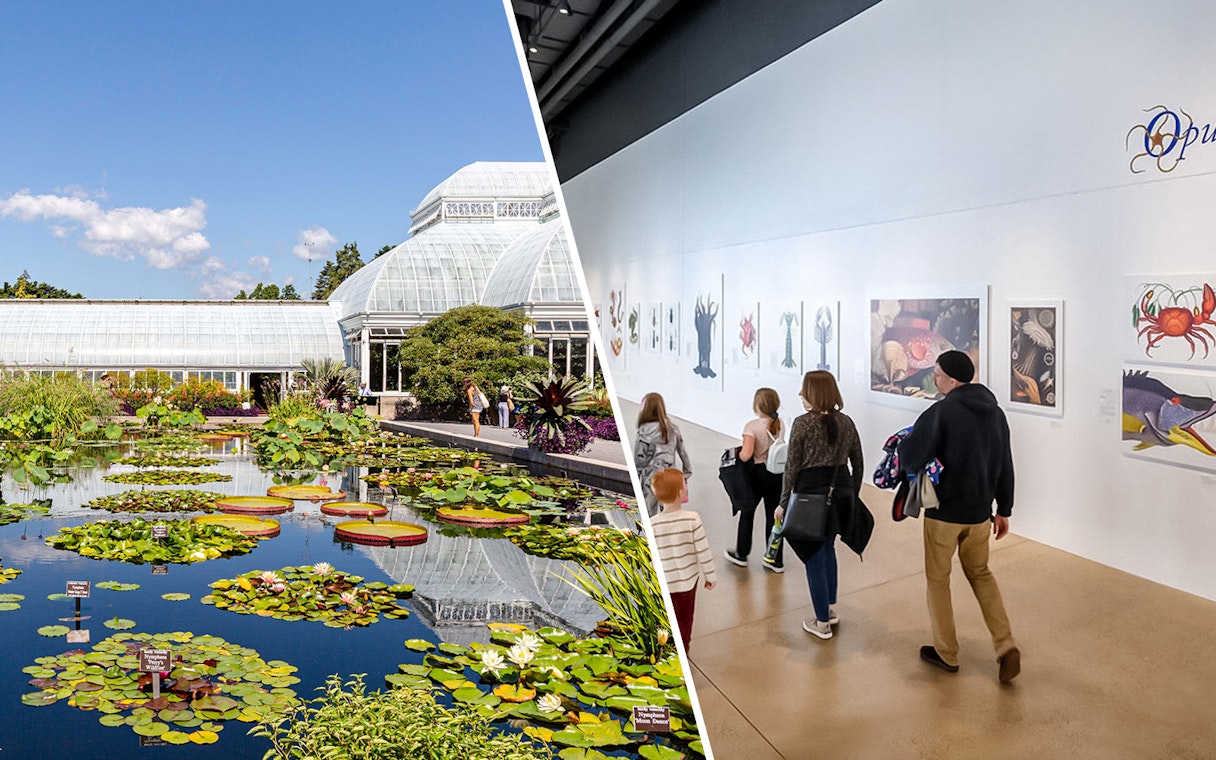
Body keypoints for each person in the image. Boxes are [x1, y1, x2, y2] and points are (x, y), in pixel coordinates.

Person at [897, 350, 1020, 683]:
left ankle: (946, 652)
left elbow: (911, 457)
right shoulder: (996, 414)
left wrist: (905, 449)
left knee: (938, 580)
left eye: (937, 374)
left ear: (951, 380)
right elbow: (1005, 464)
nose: (934, 378)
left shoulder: (941, 412)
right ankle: (1005, 644)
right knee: (981, 574)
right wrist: (1004, 510)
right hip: (980, 515)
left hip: (944, 513)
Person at [775, 370, 863, 640]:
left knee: (813, 553)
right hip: (841, 492)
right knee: (827, 547)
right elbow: (858, 463)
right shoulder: (846, 422)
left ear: (815, 393)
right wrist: (853, 496)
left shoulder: (802, 423)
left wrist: (783, 502)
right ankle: (829, 608)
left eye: (804, 389)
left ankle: (822, 621)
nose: (800, 393)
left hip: (811, 495)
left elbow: (792, 467)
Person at [649, 468, 716, 652]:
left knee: (666, 621)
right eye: (685, 483)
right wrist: (710, 576)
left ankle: (666, 649)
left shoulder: (653, 524)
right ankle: (683, 649)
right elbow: (703, 550)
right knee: (685, 620)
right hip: (687, 583)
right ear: (680, 492)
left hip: (665, 584)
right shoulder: (692, 519)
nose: (687, 486)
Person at [724, 387, 786, 573]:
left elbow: (746, 455)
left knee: (747, 511)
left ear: (757, 405)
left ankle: (742, 554)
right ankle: (775, 559)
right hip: (776, 473)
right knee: (774, 516)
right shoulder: (779, 423)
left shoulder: (751, 426)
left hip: (756, 474)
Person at [634, 393, 692, 517]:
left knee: (649, 515)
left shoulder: (643, 431)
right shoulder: (673, 429)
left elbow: (638, 460)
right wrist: (685, 475)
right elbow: (683, 454)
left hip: (649, 477)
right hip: (670, 476)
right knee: (670, 514)